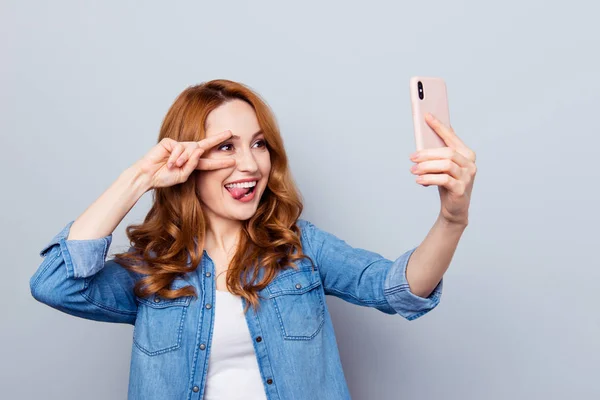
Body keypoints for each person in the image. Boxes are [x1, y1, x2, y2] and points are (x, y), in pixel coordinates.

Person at [29, 79, 477, 399]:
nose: (250, 164)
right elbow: (55, 283)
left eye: (259, 144)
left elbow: (399, 288)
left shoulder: (300, 249)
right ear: (188, 157)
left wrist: (452, 219)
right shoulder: (152, 269)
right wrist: (142, 177)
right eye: (226, 146)